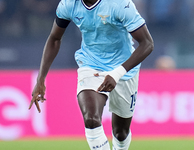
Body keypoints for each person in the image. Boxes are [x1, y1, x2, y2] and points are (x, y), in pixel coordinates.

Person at [29, 0, 154, 149]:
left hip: (124, 69)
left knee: (121, 132)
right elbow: (54, 39)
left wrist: (117, 73)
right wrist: (41, 78)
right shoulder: (68, 4)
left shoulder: (120, 4)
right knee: (91, 118)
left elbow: (147, 43)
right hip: (91, 65)